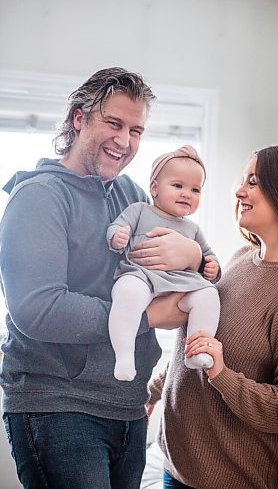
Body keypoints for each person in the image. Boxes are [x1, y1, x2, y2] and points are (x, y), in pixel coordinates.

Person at [0, 67, 202, 489]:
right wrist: (144, 318)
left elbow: (166, 270)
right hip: (59, 405)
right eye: (113, 123)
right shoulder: (38, 198)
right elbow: (39, 310)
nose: (125, 141)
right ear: (79, 118)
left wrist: (194, 254)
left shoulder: (133, 195)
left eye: (136, 130)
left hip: (126, 404)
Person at [147, 145, 278, 489]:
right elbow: (195, 339)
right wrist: (153, 391)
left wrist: (220, 373)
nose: (239, 191)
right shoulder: (240, 259)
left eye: (254, 181)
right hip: (178, 469)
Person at [106, 145, 220, 381]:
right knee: (127, 292)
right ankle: (124, 354)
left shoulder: (192, 229)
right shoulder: (140, 210)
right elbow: (116, 226)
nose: (186, 194)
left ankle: (196, 349)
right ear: (155, 188)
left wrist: (211, 266)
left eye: (195, 189)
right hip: (141, 276)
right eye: (178, 186)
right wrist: (117, 237)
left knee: (208, 295)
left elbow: (207, 257)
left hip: (179, 285)